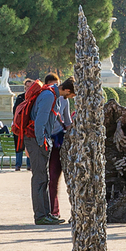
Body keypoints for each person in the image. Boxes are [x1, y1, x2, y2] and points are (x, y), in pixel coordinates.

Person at [15, 75, 61, 225]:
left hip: (38, 139)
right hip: (36, 139)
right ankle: (41, 216)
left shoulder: (50, 95)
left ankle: (46, 213)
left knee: (44, 178)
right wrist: (41, 142)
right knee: (39, 178)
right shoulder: (49, 95)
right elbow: (40, 122)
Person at [38, 78, 75, 220]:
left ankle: (66, 212)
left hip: (60, 141)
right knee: (52, 178)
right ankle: (54, 211)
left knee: (66, 178)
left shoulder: (64, 100)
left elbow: (67, 120)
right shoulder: (47, 96)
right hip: (49, 140)